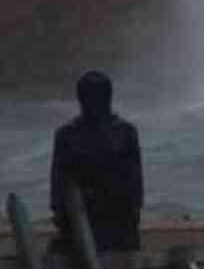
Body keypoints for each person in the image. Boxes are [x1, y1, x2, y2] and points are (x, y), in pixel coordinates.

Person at [50, 71, 144, 253]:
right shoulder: (67, 135)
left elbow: (135, 181)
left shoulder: (124, 132)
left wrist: (134, 210)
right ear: (81, 99)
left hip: (117, 216)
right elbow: (59, 181)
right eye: (89, 97)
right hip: (81, 217)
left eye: (98, 97)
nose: (93, 103)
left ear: (108, 98)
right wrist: (60, 213)